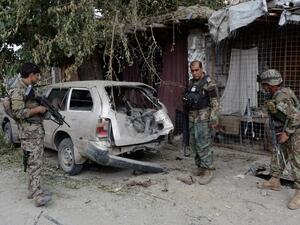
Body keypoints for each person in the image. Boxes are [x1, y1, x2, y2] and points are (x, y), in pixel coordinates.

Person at [257, 69, 300, 210]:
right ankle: (275, 180)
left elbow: (295, 117)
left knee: (296, 161)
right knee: (278, 155)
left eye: (265, 85)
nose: (264, 87)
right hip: (284, 129)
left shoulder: (281, 97)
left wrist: (287, 133)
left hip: (295, 132)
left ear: (271, 84)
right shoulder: (276, 94)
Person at [11, 62, 52, 207]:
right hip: (29, 133)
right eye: (37, 75)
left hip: (33, 132)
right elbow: (18, 113)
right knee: (35, 163)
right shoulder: (18, 91)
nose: (38, 77)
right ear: (31, 75)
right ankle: (38, 196)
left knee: (33, 162)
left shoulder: (29, 89)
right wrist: (37, 110)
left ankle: (31, 189)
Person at [183, 60, 220, 184]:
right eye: (192, 71)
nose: (194, 73)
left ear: (201, 68)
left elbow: (215, 103)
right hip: (192, 117)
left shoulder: (209, 83)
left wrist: (214, 118)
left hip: (204, 117)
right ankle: (200, 167)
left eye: (196, 70)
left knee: (203, 143)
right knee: (193, 142)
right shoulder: (191, 82)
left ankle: (208, 170)